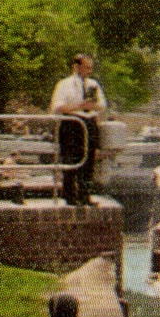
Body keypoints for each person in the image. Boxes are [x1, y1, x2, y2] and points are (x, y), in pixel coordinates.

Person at [50, 53, 106, 206]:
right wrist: (79, 105)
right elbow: (57, 107)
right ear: (76, 67)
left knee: (89, 161)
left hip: (89, 123)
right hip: (72, 123)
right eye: (86, 67)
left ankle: (85, 195)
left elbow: (102, 105)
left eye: (90, 68)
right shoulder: (64, 84)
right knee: (71, 159)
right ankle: (70, 196)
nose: (89, 71)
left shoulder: (93, 84)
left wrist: (91, 106)